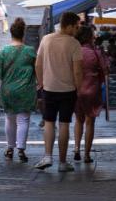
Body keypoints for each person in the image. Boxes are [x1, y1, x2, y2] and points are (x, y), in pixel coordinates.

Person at [34, 11, 83, 173]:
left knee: (49, 122)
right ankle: (62, 162)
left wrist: (41, 82)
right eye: (76, 27)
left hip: (48, 88)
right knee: (64, 124)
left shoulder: (46, 39)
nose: (77, 30)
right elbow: (77, 71)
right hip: (68, 90)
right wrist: (79, 87)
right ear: (68, 26)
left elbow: (38, 64)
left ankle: (47, 156)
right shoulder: (74, 44)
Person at [0, 17, 36, 163]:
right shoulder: (30, 51)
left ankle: (10, 148)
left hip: (8, 91)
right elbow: (38, 69)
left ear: (11, 33)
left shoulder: (4, 51)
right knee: (23, 120)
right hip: (25, 90)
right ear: (23, 33)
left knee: (10, 119)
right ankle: (21, 150)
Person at [73, 25, 109, 164]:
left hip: (76, 90)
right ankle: (87, 154)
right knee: (89, 122)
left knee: (78, 120)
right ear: (89, 37)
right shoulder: (96, 52)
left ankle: (76, 149)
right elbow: (105, 70)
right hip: (92, 90)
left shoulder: (74, 51)